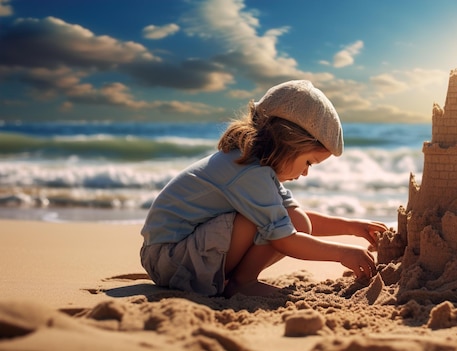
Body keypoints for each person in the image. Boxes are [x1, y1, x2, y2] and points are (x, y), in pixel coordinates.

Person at [140, 80, 389, 298]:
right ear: (289, 142)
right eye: (308, 162)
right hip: (168, 259)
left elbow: (295, 222)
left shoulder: (257, 166)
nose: (305, 173)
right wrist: (342, 254)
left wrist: (351, 227)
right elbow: (283, 239)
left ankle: (238, 280)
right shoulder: (249, 171)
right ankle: (241, 283)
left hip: (177, 252)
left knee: (295, 219)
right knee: (269, 223)